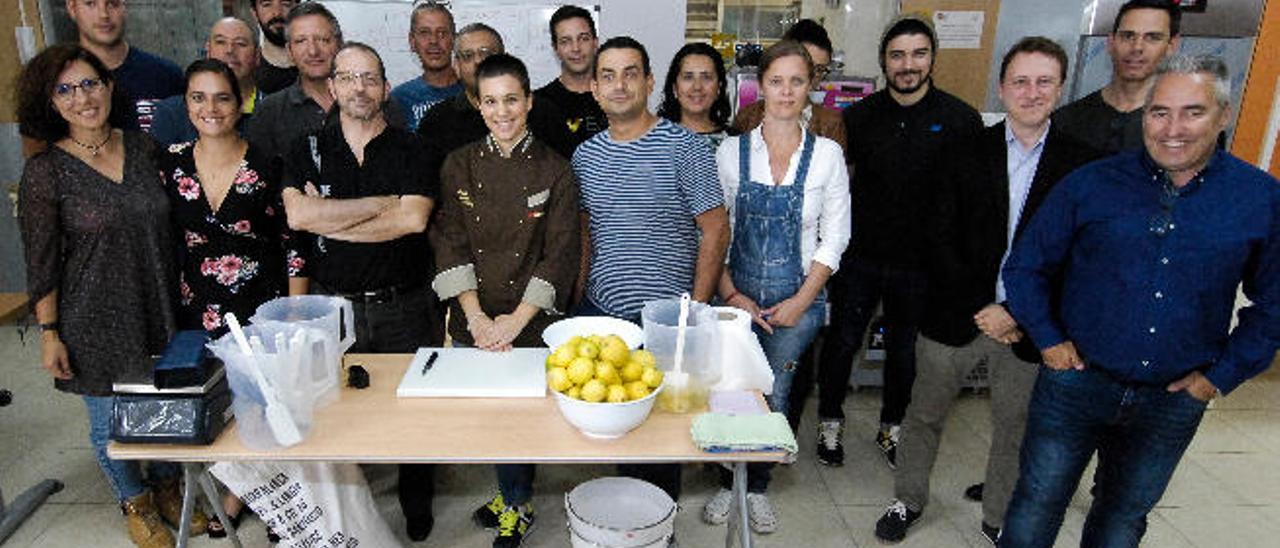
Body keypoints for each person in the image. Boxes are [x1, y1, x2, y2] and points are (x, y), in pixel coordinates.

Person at [1000, 54, 1280, 548]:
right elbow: (1026, 266)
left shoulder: (1258, 199)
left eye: (1192, 111)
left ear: (1224, 114)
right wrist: (1048, 339)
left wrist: (1219, 377)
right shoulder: (1092, 184)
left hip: (1171, 400)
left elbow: (1275, 303)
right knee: (1036, 504)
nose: (1173, 128)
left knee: (1123, 519)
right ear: (1144, 114)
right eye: (1158, 112)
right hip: (1076, 384)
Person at [871, 37, 1098, 544]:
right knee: (923, 415)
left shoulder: (1082, 165)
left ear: (1061, 88)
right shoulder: (963, 152)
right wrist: (984, 306)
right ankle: (906, 500)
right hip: (957, 314)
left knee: (1014, 429)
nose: (1031, 92)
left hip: (1030, 324)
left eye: (1044, 81)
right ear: (1003, 86)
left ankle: (997, 517)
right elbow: (937, 236)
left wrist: (1016, 311)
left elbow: (1080, 255)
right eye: (1020, 81)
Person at [16, 44, 184, 548]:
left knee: (163, 404)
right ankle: (134, 501)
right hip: (91, 315)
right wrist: (49, 333)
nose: (82, 98)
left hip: (157, 300)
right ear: (50, 102)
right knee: (110, 420)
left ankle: (168, 483)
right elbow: (40, 262)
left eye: (90, 84)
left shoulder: (144, 148)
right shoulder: (45, 173)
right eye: (64, 89)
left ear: (110, 88)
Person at [280, 42, 441, 543]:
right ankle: (346, 514)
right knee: (333, 413)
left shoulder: (413, 148)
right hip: (335, 309)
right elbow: (299, 217)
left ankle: (417, 505)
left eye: (370, 78)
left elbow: (413, 220)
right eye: (348, 78)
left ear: (386, 88)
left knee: (413, 411)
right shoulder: (304, 147)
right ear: (332, 88)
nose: (359, 88)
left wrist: (332, 218)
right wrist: (377, 207)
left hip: (405, 304)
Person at [815, 14, 983, 469]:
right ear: (884, 62)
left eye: (918, 54)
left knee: (905, 353)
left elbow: (972, 201)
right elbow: (838, 188)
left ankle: (892, 428)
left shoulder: (961, 121)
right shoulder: (859, 118)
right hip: (860, 258)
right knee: (842, 343)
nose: (907, 65)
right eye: (897, 55)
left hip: (922, 266)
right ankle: (829, 422)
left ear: (932, 58)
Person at [430, 53, 580, 548]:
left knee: (519, 417)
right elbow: (449, 242)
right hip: (476, 317)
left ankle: (518, 505)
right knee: (491, 416)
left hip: (529, 319)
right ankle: (510, 492)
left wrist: (514, 322)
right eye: (490, 101)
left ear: (529, 101)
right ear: (477, 104)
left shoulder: (556, 171)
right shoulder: (459, 164)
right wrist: (475, 318)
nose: (502, 111)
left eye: (511, 99)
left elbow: (560, 254)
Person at [156, 59, 309, 540]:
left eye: (222, 97)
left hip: (260, 304)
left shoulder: (268, 162)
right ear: (186, 103)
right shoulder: (169, 162)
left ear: (240, 102)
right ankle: (232, 483)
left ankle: (257, 497)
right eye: (198, 98)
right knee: (217, 403)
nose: (211, 108)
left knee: (266, 404)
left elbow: (294, 243)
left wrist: (295, 313)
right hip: (196, 304)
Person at [573, 36, 730, 502]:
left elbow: (716, 229)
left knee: (663, 440)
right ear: (595, 91)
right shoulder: (585, 156)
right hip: (605, 317)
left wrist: (692, 315)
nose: (619, 85)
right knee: (613, 430)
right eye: (608, 75)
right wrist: (579, 304)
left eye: (629, 73)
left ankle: (659, 527)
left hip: (667, 324)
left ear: (648, 81)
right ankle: (623, 518)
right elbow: (585, 236)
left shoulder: (686, 148)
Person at [704, 40, 850, 534]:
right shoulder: (731, 151)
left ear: (812, 87)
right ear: (759, 86)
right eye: (776, 81)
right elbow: (715, 232)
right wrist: (732, 296)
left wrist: (801, 301)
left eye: (797, 81)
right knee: (731, 392)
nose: (786, 91)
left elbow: (837, 236)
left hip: (799, 298)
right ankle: (729, 483)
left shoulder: (827, 155)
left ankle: (758, 487)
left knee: (777, 392)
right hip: (737, 295)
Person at [416, 23, 575, 189]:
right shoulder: (436, 121)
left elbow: (567, 176)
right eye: (468, 56)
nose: (478, 61)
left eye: (486, 53)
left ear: (504, 59)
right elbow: (426, 186)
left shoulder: (542, 112)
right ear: (456, 66)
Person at [248, 2, 407, 163]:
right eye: (301, 41)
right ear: (290, 51)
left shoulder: (379, 103)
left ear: (339, 43)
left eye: (323, 39)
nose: (313, 51)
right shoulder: (269, 113)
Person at [1053, 0, 1180, 155]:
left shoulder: (1182, 129)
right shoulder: (1066, 121)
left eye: (1152, 37)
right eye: (1128, 36)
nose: (1137, 47)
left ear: (1171, 46)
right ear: (1111, 42)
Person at [65, 0, 183, 132]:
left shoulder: (166, 75)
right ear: (72, 8)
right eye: (90, 4)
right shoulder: (57, 80)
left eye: (112, 4)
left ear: (124, 5)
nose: (104, 15)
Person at [731, 19, 845, 150]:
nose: (811, 75)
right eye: (805, 65)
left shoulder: (831, 123)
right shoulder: (748, 117)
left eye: (819, 69)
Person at [151, 18, 263, 146]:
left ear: (257, 55)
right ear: (208, 50)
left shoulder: (275, 110)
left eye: (241, 43)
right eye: (221, 42)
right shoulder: (171, 113)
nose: (230, 50)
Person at [536, 5, 608, 147]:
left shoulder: (616, 96)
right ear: (555, 48)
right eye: (565, 41)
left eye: (583, 38)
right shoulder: (538, 104)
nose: (576, 48)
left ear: (595, 42)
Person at [391, 1, 463, 131]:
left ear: (453, 40)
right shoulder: (399, 99)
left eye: (442, 33)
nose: (434, 41)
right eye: (424, 33)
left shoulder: (472, 92)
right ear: (412, 42)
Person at [657, 42, 734, 150]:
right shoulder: (652, 142)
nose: (697, 87)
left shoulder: (737, 143)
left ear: (719, 88)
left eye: (706, 77)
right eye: (688, 77)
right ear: (674, 88)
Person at [248, 0, 299, 95]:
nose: (277, 13)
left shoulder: (321, 67)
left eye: (285, 4)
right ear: (254, 13)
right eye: (267, 5)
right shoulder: (248, 73)